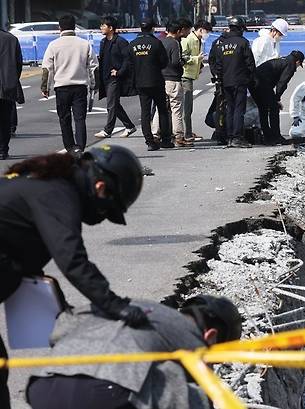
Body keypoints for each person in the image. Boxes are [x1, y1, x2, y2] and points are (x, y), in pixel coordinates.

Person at [0, 145, 149, 408]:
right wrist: (116, 306)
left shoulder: (47, 182)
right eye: (107, 211)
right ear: (101, 188)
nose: (102, 218)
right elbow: (72, 259)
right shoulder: (57, 193)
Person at [26, 295, 242, 409]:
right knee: (192, 395)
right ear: (211, 336)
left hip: (44, 388)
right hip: (105, 396)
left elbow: (60, 327)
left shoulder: (127, 305)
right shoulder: (190, 338)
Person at [41, 15, 98, 154]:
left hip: (62, 88)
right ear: (74, 26)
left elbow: (47, 69)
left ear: (59, 28)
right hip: (80, 87)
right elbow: (94, 67)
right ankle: (81, 147)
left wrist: (45, 88)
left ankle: (70, 147)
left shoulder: (53, 45)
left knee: (64, 119)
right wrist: (93, 85)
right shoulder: (84, 44)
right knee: (80, 119)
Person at [210, 16, 256, 148]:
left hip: (225, 82)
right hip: (240, 81)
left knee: (229, 109)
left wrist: (220, 79)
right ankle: (237, 137)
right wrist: (251, 78)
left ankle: (229, 137)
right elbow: (250, 64)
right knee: (239, 110)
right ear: (240, 28)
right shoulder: (243, 43)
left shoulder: (221, 45)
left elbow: (217, 66)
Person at [129, 18, 174, 151]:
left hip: (140, 82)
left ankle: (149, 141)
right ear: (152, 29)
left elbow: (129, 64)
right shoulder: (156, 43)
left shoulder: (132, 44)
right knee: (162, 110)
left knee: (145, 112)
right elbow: (164, 62)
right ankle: (166, 140)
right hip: (156, 81)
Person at [94, 16, 138, 140]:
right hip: (106, 77)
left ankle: (108, 130)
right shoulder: (103, 42)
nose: (101, 28)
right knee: (115, 104)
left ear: (111, 28)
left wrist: (119, 72)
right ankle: (129, 126)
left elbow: (128, 60)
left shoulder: (121, 42)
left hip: (116, 78)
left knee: (111, 104)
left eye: (103, 25)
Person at [152, 21, 192, 147]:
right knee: (176, 109)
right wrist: (183, 61)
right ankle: (179, 136)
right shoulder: (174, 43)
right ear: (178, 31)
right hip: (173, 79)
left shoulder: (160, 41)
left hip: (160, 79)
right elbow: (175, 62)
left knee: (160, 109)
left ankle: (155, 134)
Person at [252, 50, 304, 145]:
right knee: (274, 108)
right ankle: (276, 136)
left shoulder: (282, 60)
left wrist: (275, 98)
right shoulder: (290, 65)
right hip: (262, 83)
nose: (297, 67)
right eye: (298, 65)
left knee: (263, 109)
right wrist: (277, 98)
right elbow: (282, 83)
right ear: (297, 62)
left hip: (254, 82)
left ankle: (268, 136)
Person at [181, 20, 211, 142]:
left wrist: (200, 66)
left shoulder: (198, 40)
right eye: (206, 31)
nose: (207, 34)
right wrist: (196, 59)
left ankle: (187, 131)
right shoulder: (188, 39)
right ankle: (185, 134)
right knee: (186, 108)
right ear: (200, 30)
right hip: (185, 76)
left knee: (188, 107)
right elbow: (182, 57)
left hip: (191, 75)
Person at [0, 26, 24, 160]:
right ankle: (3, 150)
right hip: (7, 85)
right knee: (5, 120)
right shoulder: (12, 39)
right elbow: (18, 63)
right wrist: (13, 78)